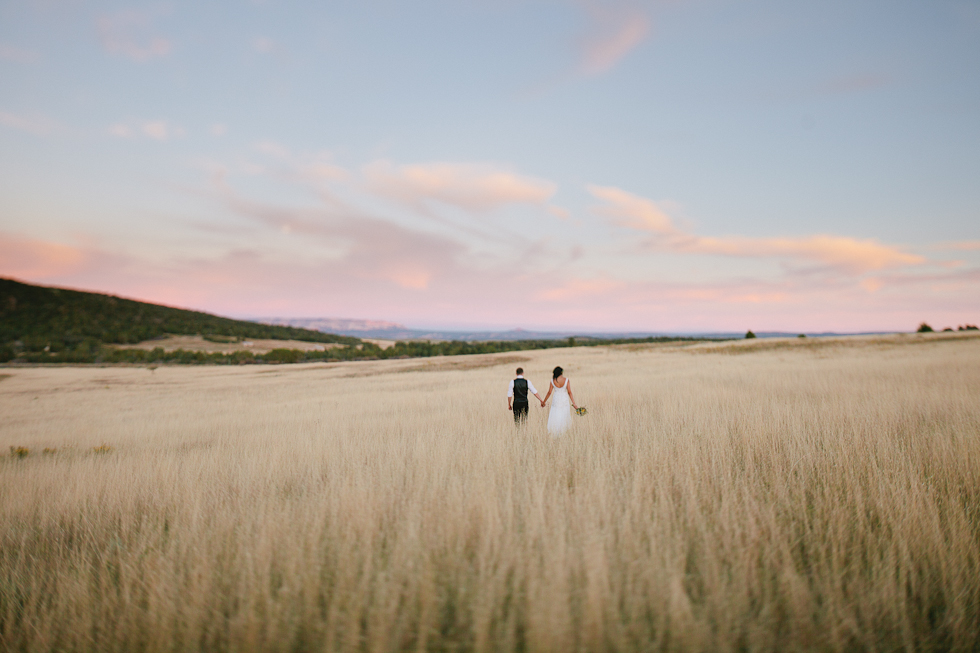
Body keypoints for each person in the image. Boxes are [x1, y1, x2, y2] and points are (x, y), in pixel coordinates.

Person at [541, 366, 578, 436]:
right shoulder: (566, 380)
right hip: (564, 399)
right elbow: (569, 392)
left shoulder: (552, 380)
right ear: (561, 372)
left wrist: (544, 402)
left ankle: (555, 432)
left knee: (556, 414)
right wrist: (574, 403)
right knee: (564, 414)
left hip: (556, 399)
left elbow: (549, 392)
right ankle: (564, 432)